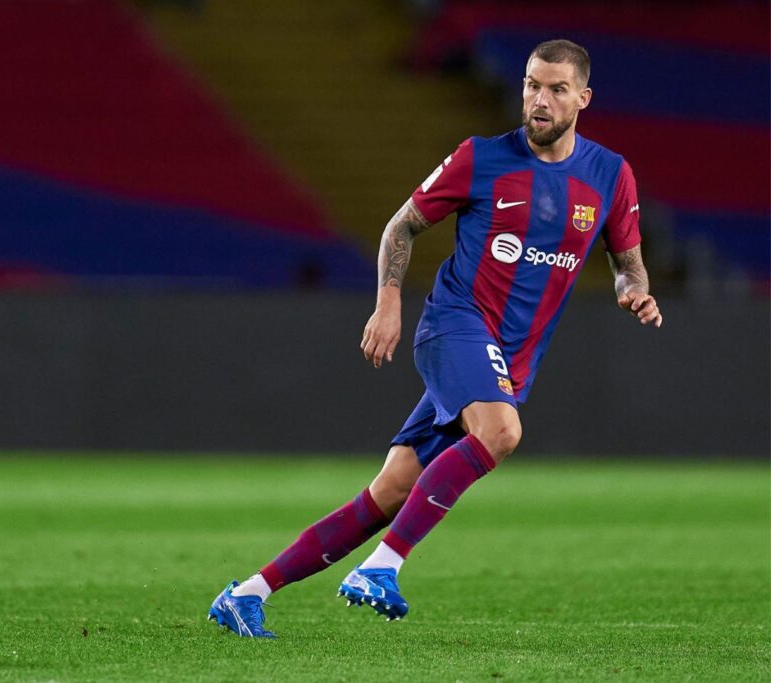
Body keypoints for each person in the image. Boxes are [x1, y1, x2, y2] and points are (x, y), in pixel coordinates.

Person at [208, 39, 662, 638]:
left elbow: (627, 261)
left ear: (584, 97)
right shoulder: (481, 158)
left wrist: (634, 288)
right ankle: (382, 567)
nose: (540, 99)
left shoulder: (609, 175)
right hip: (454, 324)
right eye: (531, 84)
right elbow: (402, 226)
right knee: (501, 433)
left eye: (556, 89)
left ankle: (246, 594)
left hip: (508, 358)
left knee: (391, 492)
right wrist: (388, 304)